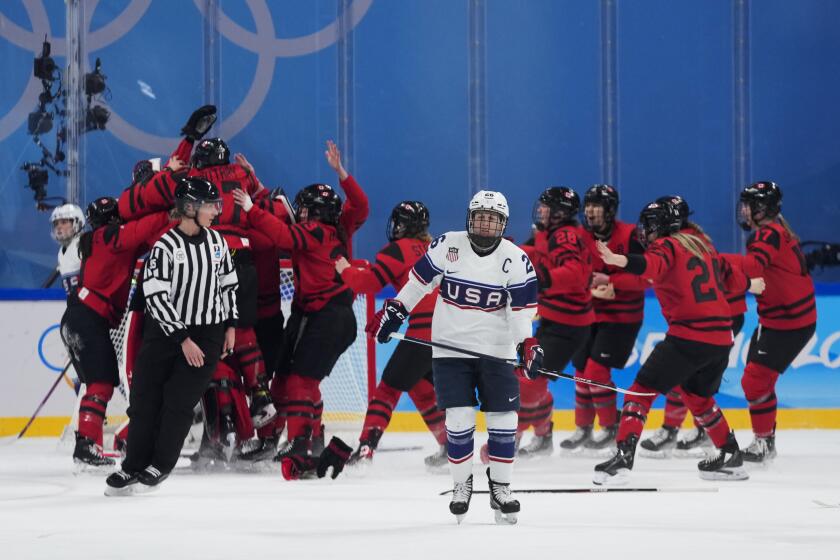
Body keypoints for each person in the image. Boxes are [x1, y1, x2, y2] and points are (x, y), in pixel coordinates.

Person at [372, 190, 538, 525]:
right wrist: (397, 310)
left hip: (497, 353)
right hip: (450, 350)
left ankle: (501, 488)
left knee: (504, 422)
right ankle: (462, 485)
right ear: (469, 218)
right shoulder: (447, 244)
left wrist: (527, 343)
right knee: (459, 421)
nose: (485, 225)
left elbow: (520, 313)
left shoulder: (517, 260)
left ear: (502, 224)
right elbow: (418, 284)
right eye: (480, 218)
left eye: (492, 220)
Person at [232, 141, 369, 479]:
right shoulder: (335, 227)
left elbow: (281, 230)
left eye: (306, 209)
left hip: (326, 316)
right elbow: (355, 207)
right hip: (310, 315)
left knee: (299, 383)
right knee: (286, 384)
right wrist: (258, 183)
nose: (301, 213)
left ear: (315, 212)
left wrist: (250, 207)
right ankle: (307, 437)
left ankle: (300, 443)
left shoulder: (315, 232)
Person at [593, 199, 749, 484]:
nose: (646, 232)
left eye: (650, 225)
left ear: (665, 225)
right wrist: (752, 284)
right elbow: (733, 279)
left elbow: (651, 266)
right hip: (722, 337)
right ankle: (731, 454)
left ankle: (623, 459)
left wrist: (621, 261)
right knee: (698, 396)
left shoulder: (667, 245)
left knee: (639, 393)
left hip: (689, 335)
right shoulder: (702, 244)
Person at [105, 177, 238, 496]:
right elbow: (155, 295)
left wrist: (230, 325)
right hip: (165, 334)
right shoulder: (164, 247)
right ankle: (133, 466)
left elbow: (228, 285)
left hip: (206, 335)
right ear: (189, 207)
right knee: (143, 401)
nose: (215, 211)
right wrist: (181, 338)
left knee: (178, 402)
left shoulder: (218, 243)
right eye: (209, 205)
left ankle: (161, 464)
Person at [638, 195, 759, 458]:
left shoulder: (678, 242)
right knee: (687, 379)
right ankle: (696, 430)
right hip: (716, 317)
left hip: (715, 318)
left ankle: (674, 429)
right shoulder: (688, 238)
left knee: (682, 374)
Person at [333, 200, 447, 470]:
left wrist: (344, 269)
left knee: (387, 391)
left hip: (422, 333)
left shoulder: (397, 250)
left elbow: (368, 283)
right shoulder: (438, 249)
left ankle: (365, 448)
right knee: (421, 389)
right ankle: (452, 446)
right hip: (452, 333)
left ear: (402, 226)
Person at [60, 198, 170, 468]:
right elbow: (141, 231)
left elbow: (146, 240)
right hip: (88, 319)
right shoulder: (108, 236)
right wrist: (169, 211)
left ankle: (88, 444)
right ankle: (86, 445)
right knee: (101, 382)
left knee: (99, 382)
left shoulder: (103, 242)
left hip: (78, 318)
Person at [725, 181, 816, 463]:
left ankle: (764, 443)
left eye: (748, 204)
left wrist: (714, 262)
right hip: (781, 319)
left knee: (755, 381)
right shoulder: (775, 231)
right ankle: (765, 441)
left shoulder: (768, 234)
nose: (743, 210)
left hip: (788, 322)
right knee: (757, 381)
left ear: (761, 208)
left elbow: (753, 268)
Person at [516, 187, 594, 456]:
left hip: (568, 326)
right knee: (530, 376)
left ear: (560, 212)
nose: (541, 211)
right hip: (555, 321)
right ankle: (543, 436)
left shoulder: (566, 235)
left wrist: (541, 280)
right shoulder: (549, 234)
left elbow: (574, 273)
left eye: (547, 207)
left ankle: (507, 442)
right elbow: (529, 253)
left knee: (528, 380)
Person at [570, 184, 647, 454]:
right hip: (589, 314)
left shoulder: (631, 236)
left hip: (622, 317)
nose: (590, 210)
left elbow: (647, 277)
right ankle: (583, 427)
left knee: (595, 372)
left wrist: (613, 281)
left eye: (596, 205)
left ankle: (610, 427)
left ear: (610, 209)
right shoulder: (580, 237)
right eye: (587, 204)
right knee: (580, 372)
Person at [50, 204, 86, 297]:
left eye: (64, 222)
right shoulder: (62, 251)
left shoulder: (85, 244)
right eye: (56, 223)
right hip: (74, 305)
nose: (58, 227)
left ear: (78, 222)